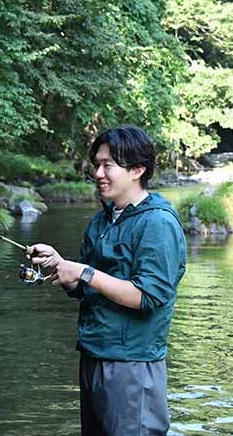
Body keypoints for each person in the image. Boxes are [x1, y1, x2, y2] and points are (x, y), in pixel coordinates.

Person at [28, 125, 186, 436]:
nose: (98, 173)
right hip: (93, 356)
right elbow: (86, 288)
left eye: (108, 165)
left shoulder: (158, 223)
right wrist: (61, 266)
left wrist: (84, 272)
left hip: (132, 365)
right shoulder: (101, 220)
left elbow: (148, 297)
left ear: (137, 170)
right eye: (96, 165)